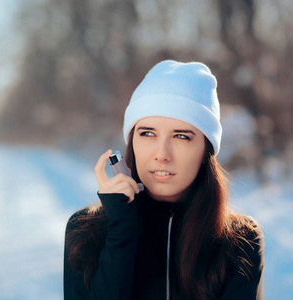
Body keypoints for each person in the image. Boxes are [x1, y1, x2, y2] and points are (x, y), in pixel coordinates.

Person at [63, 60, 264, 300]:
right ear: (132, 141)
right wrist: (121, 233)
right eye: (148, 133)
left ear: (205, 151)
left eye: (181, 136)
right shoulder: (86, 230)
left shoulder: (241, 240)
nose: (162, 154)